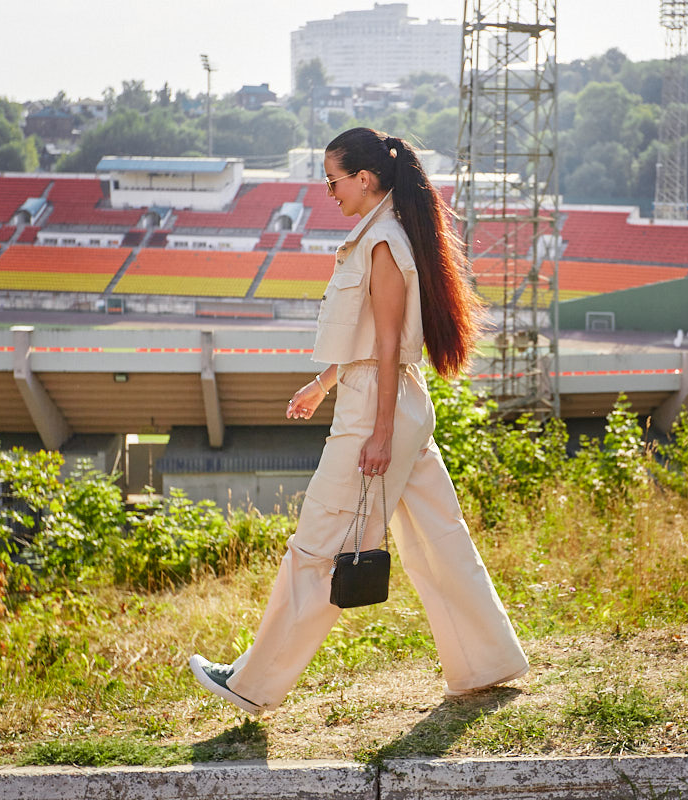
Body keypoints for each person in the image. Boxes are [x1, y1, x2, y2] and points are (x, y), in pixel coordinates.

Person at [189, 127, 528, 714]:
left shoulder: (382, 243)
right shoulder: (380, 235)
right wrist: (323, 385)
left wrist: (378, 434)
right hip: (387, 400)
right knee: (438, 540)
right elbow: (370, 343)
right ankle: (487, 663)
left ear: (364, 179)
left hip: (381, 408)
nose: (328, 191)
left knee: (317, 546)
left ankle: (251, 684)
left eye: (333, 180)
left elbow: (391, 347)